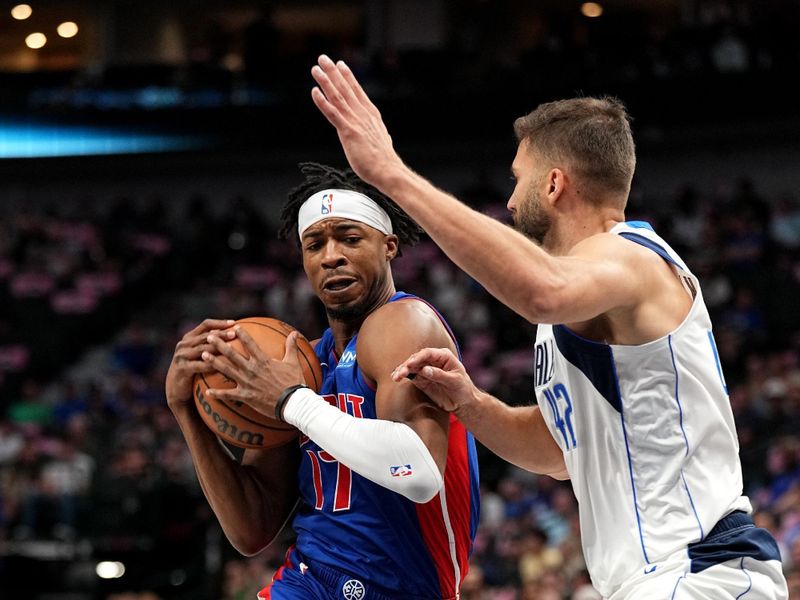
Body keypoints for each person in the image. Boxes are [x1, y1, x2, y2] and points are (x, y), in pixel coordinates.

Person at [308, 54, 789, 599]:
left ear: (555, 183)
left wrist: (390, 175)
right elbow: (561, 454)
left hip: (700, 572)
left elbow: (542, 291)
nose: (510, 200)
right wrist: (470, 402)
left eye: (519, 179)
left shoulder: (630, 257)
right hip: (652, 579)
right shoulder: (584, 298)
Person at [165, 162, 480, 600]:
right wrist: (188, 412)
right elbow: (251, 531)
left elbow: (418, 474)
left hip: (400, 589)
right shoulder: (302, 362)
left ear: (389, 246)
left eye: (350, 238)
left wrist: (293, 401)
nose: (331, 255)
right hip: (307, 580)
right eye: (315, 244)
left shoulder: (405, 322)